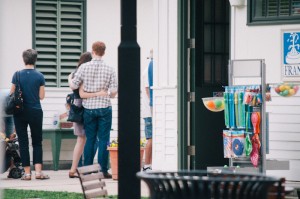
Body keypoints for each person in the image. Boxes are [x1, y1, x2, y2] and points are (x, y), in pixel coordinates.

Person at [69, 41, 118, 178]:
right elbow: (114, 92)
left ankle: (88, 170)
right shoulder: (110, 68)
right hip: (104, 107)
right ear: (104, 52)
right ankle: (103, 170)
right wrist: (107, 93)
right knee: (104, 139)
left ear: (93, 51)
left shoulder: (84, 67)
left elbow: (74, 86)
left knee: (90, 139)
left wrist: (69, 79)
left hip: (89, 108)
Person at [10, 49, 48, 180]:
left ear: (24, 59)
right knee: (37, 142)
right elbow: (42, 96)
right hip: (35, 111)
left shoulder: (17, 75)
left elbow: (12, 94)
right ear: (35, 60)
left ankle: (27, 174)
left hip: (19, 112)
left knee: (23, 142)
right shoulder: (40, 76)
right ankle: (38, 172)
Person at [142, 50, 153, 171]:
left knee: (152, 138)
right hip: (149, 111)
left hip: (150, 110)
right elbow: (148, 90)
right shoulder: (148, 71)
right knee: (151, 138)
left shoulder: (149, 70)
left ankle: (150, 164)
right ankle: (147, 165)